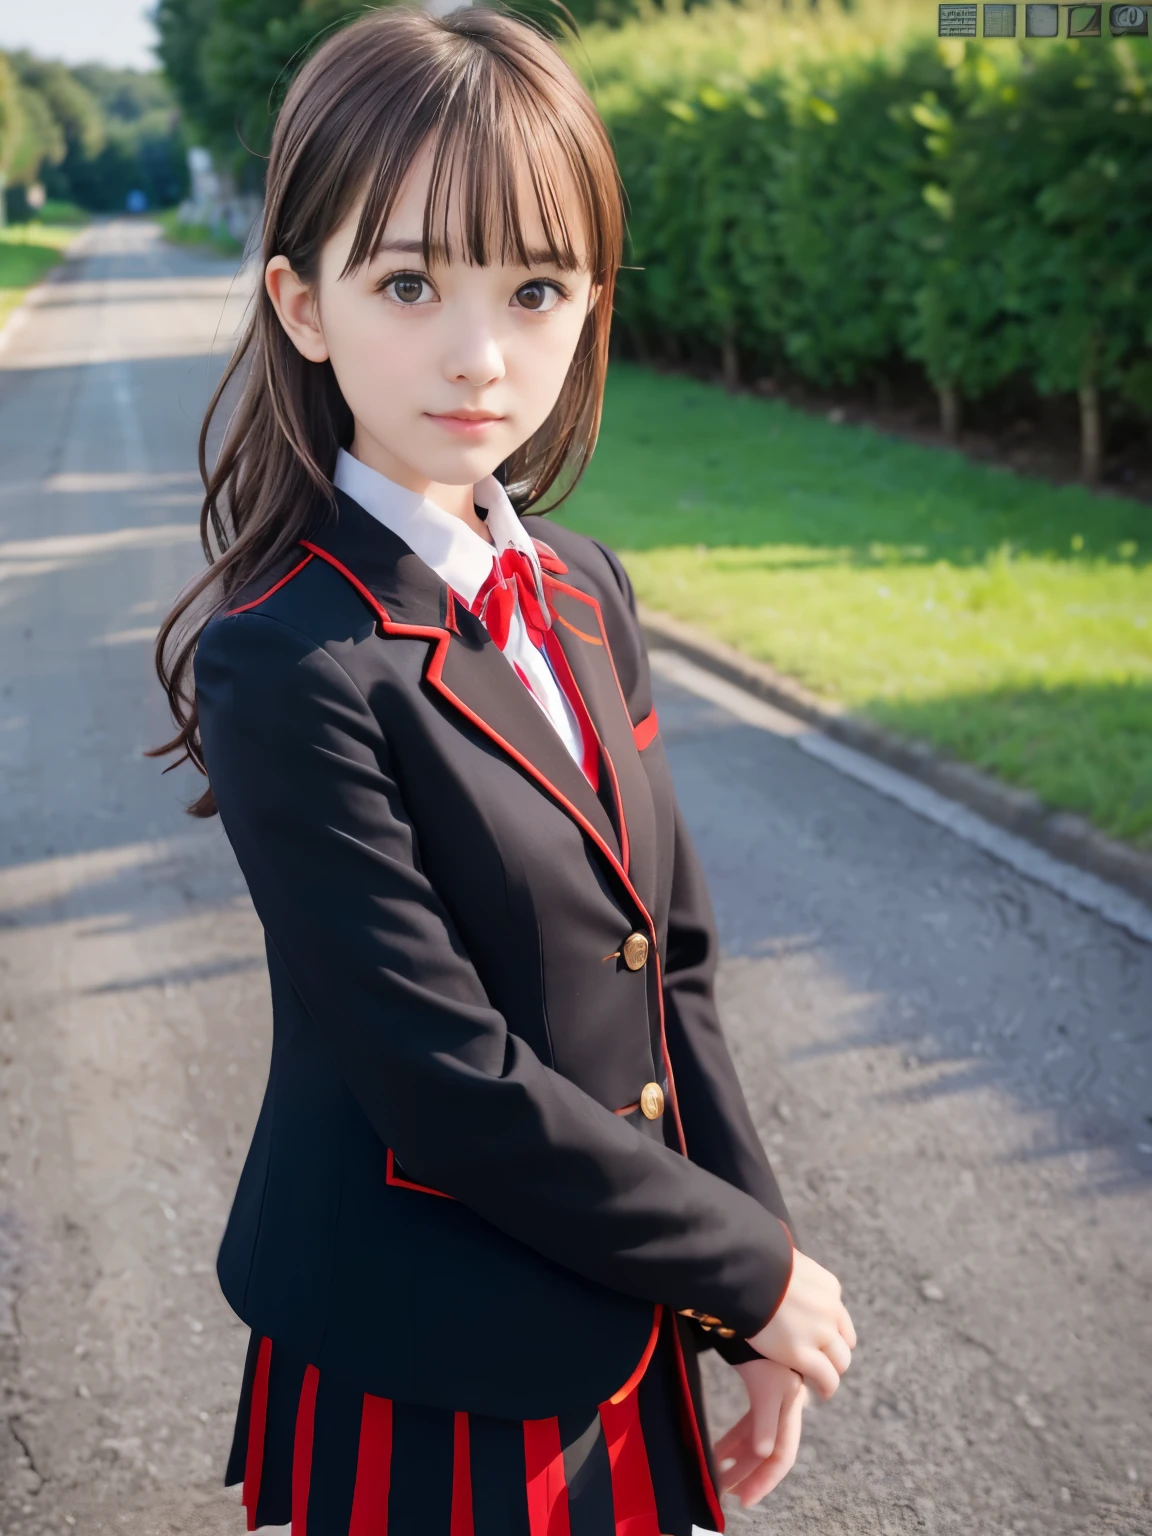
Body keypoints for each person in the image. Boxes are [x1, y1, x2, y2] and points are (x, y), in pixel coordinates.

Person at [153, 8, 855, 1533]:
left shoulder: (588, 587)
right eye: (408, 282)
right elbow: (442, 1079)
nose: (479, 355)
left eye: (534, 287)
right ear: (304, 301)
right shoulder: (286, 656)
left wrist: (752, 1283)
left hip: (630, 1299)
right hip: (429, 1350)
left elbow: (675, 969)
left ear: (591, 304)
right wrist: (750, 1271)